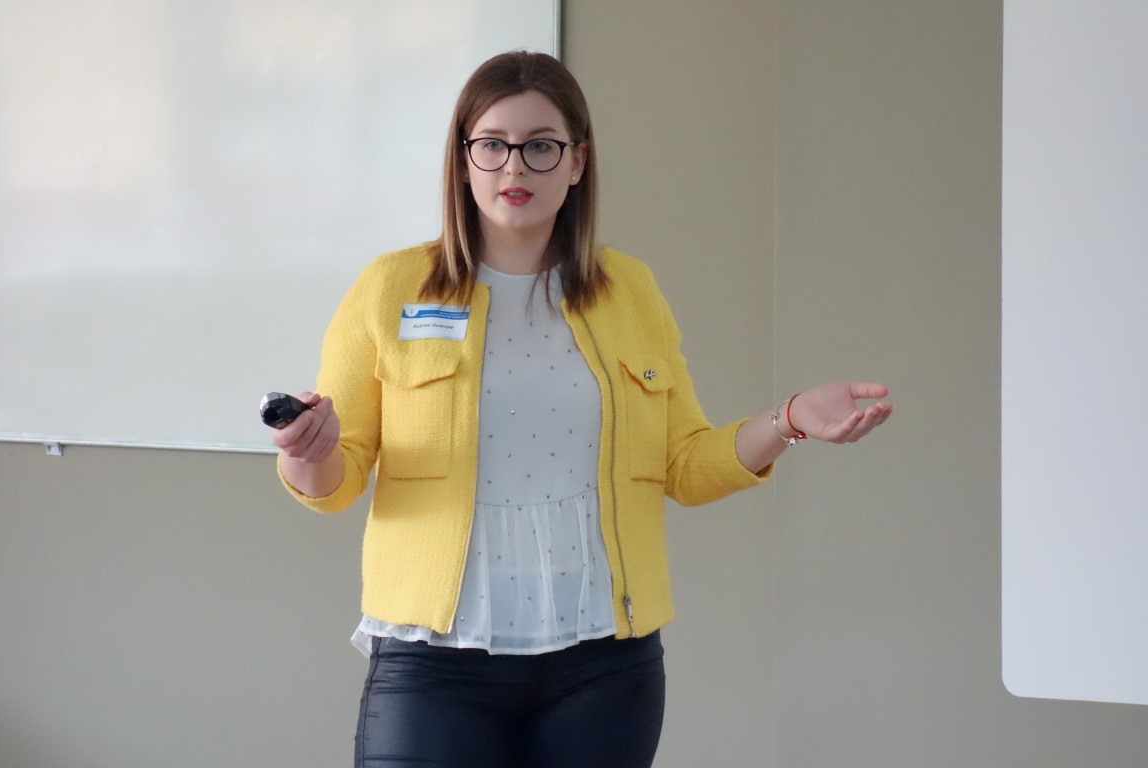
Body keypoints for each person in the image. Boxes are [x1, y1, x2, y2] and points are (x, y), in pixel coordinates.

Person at [273, 50, 892, 768]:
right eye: (493, 145)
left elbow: (686, 465)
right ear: (463, 160)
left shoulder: (629, 290)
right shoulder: (391, 288)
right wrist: (306, 452)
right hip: (436, 662)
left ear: (577, 162)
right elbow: (336, 481)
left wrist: (789, 418)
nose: (515, 167)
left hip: (604, 667)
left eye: (541, 146)